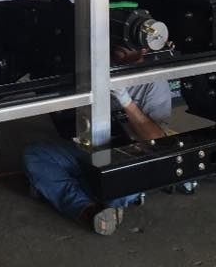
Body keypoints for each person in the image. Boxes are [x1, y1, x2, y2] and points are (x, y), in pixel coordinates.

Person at [23, 81, 172, 236]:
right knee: (34, 156)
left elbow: (159, 142)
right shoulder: (91, 69)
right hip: (90, 149)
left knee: (133, 177)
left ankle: (95, 202)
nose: (120, 55)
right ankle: (90, 209)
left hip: (126, 156)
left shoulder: (154, 84)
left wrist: (127, 102)